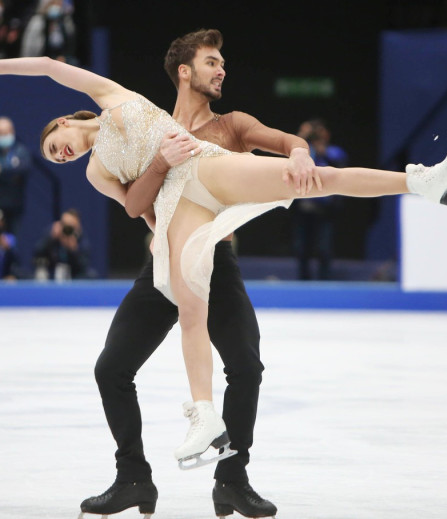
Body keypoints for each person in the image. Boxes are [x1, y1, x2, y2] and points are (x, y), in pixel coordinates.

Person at [0, 52, 447, 491]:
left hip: (203, 165)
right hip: (174, 209)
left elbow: (46, 66)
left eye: (52, 145)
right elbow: (135, 207)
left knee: (310, 178)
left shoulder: (109, 94)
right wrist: (165, 219)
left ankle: (424, 182)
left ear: (63, 122)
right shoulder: (94, 170)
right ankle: (205, 416)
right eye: (53, 160)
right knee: (189, 302)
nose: (58, 156)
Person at [80, 29, 315, 518]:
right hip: (162, 268)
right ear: (184, 71)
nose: (221, 69)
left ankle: (232, 480)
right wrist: (160, 164)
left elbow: (288, 140)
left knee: (246, 367)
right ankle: (133, 479)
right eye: (212, 61)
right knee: (111, 369)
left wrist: (298, 152)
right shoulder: (151, 130)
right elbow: (135, 206)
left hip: (216, 264)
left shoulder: (232, 125)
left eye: (222, 62)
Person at [293, 119, 348, 280]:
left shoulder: (334, 152)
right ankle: (303, 281)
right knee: (301, 247)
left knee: (324, 247)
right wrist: (301, 137)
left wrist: (321, 149)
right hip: (304, 207)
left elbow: (339, 163)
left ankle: (325, 280)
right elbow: (289, 156)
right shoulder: (305, 153)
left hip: (325, 210)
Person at [33, 208, 94, 280]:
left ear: (78, 227)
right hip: (52, 273)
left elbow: (84, 265)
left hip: (74, 276)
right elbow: (37, 253)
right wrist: (51, 238)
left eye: (70, 226)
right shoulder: (52, 234)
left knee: (91, 275)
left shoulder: (82, 240)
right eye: (64, 224)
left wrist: (73, 250)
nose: (66, 229)